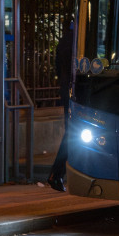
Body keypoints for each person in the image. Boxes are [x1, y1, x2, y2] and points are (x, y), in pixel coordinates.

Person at [48, 19, 75, 192]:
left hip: (67, 90)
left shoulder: (65, 39)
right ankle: (56, 174)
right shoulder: (79, 40)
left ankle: (57, 174)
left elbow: (58, 68)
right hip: (76, 92)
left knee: (72, 132)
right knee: (73, 133)